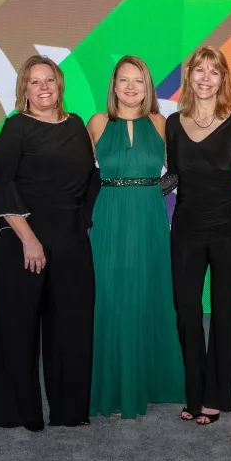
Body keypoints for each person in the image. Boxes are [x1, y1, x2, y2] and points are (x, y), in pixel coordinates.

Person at [0, 55, 98, 430]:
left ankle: (69, 411)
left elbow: (90, 179)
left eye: (50, 80)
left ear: (60, 84)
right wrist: (30, 241)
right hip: (22, 241)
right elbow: (2, 186)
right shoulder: (16, 128)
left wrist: (82, 222)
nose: (44, 87)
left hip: (70, 240)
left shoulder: (77, 124)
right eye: (35, 82)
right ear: (24, 89)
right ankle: (18, 411)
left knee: (72, 328)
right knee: (19, 328)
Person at [86, 55, 185, 419]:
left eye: (138, 81)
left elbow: (179, 170)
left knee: (146, 296)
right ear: (113, 86)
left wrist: (153, 192)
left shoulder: (161, 122)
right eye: (123, 80)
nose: (130, 87)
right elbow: (80, 175)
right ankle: (110, 388)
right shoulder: (96, 123)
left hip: (148, 219)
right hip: (109, 217)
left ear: (148, 87)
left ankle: (148, 383)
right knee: (109, 299)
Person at [166, 46, 231, 425]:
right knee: (186, 312)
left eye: (213, 72)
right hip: (186, 228)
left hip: (230, 230)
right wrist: (129, 191)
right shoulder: (172, 122)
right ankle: (194, 391)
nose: (205, 78)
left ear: (223, 78)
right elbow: (172, 177)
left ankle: (215, 397)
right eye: (198, 70)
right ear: (189, 77)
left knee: (223, 313)